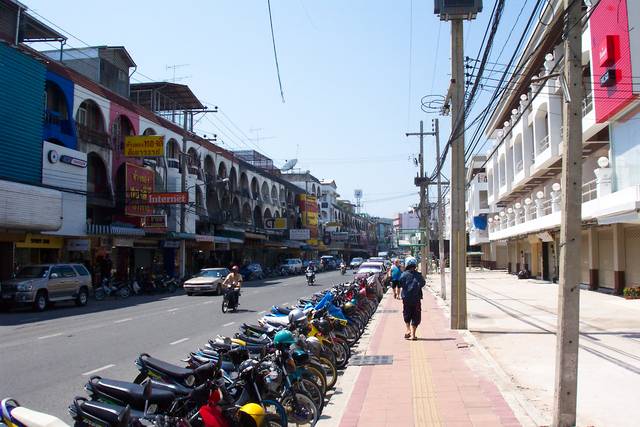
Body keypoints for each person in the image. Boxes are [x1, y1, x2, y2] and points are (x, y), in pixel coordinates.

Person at [399, 256, 425, 341]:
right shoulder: (418, 275)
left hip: (406, 299)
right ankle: (413, 335)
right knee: (416, 315)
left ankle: (408, 330)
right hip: (416, 299)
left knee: (407, 314)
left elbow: (400, 284)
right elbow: (423, 283)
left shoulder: (403, 275)